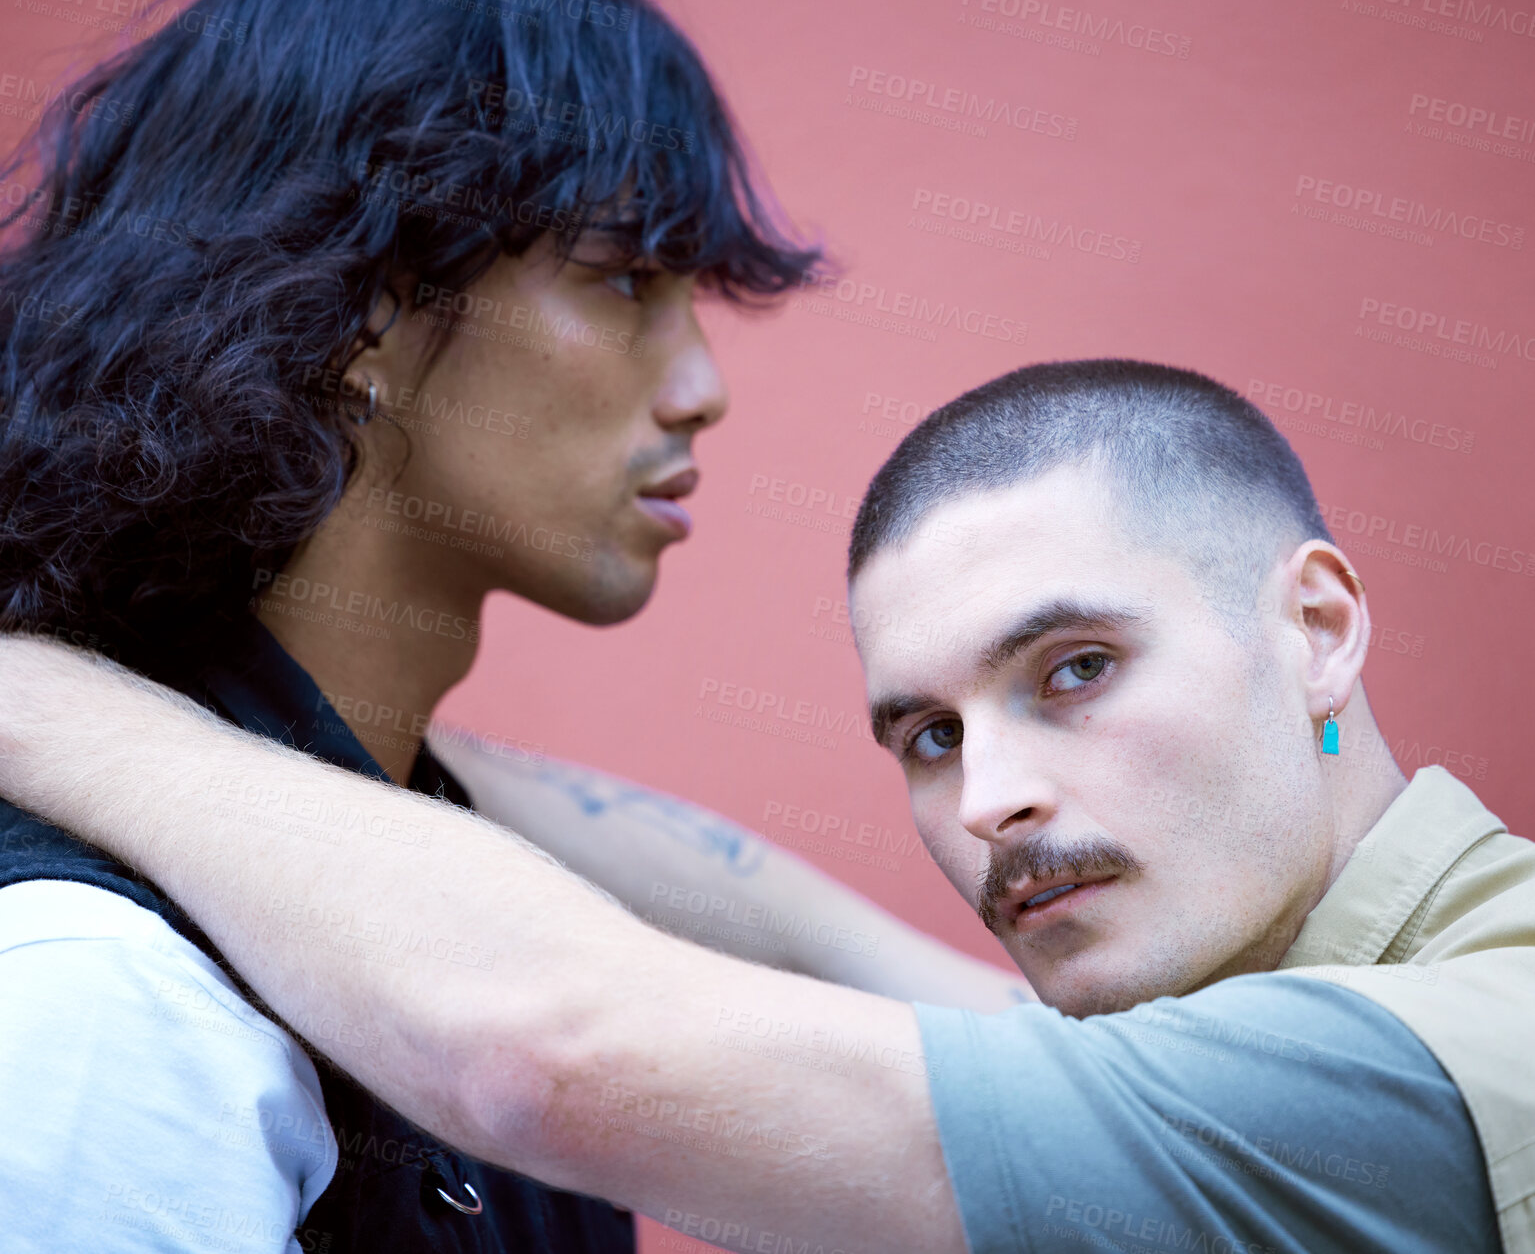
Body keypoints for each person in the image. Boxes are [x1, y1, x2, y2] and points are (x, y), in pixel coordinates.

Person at [5, 360, 1530, 1254]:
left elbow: (553, 1053)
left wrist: (34, 693)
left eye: (1074, 670)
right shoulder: (1262, 995)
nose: (989, 799)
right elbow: (796, 931)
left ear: (1318, 630)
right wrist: (324, 724)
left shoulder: (1452, 1055)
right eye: (925, 735)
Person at [0, 0, 1020, 1250]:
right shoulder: (104, 989)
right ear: (362, 316)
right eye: (627, 280)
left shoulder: (371, 811)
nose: (701, 384)